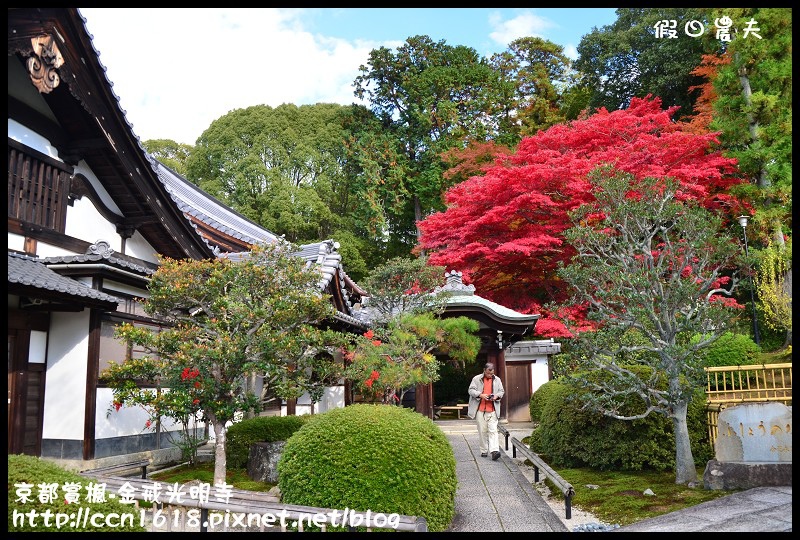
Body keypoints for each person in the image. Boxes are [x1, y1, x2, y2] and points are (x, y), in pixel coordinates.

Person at [467, 362, 505, 460]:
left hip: (493, 409)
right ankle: (484, 450)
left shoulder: (497, 380)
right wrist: (480, 395)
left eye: (492, 374)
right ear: (484, 370)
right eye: (488, 373)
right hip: (480, 409)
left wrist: (496, 396)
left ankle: (494, 451)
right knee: (482, 431)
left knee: (493, 431)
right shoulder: (476, 379)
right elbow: (470, 390)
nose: (490, 375)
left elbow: (501, 391)